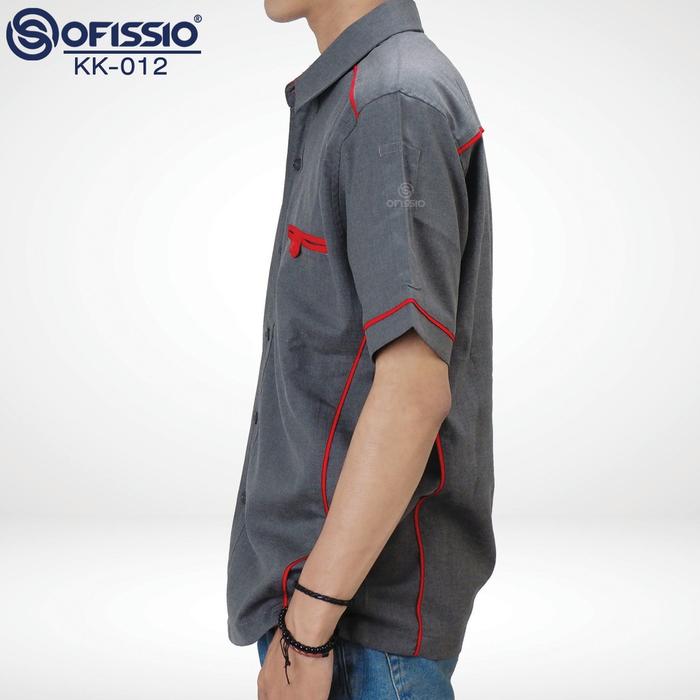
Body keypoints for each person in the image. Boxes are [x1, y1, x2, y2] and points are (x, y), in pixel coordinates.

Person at [226, 0, 496, 697]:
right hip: (331, 617)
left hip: (355, 636)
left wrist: (306, 632)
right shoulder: (363, 92)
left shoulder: (391, 101)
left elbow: (411, 393)